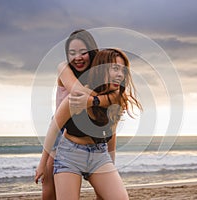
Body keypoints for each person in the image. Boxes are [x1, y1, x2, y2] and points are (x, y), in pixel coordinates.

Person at [36, 48, 142, 199]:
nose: (120, 74)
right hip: (69, 156)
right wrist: (42, 165)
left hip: (99, 155)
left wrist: (111, 164)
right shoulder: (77, 98)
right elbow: (54, 129)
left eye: (123, 70)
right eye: (115, 68)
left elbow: (111, 134)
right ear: (101, 70)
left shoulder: (117, 99)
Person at [35, 29, 118, 199]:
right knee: (48, 185)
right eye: (72, 53)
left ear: (92, 52)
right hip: (62, 127)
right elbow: (77, 92)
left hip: (90, 130)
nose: (77, 57)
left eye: (83, 52)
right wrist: (105, 98)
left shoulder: (99, 73)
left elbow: (119, 97)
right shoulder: (64, 67)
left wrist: (108, 98)